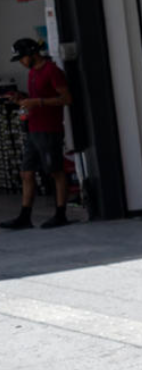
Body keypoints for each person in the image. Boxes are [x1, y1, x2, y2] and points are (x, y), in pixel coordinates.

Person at [4, 38, 73, 230]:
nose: (21, 62)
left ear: (33, 53)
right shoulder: (33, 73)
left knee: (55, 171)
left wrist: (38, 102)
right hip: (33, 129)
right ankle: (24, 216)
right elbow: (36, 99)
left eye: (22, 58)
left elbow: (66, 98)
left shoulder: (52, 71)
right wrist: (23, 98)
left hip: (49, 129)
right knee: (26, 173)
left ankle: (61, 214)